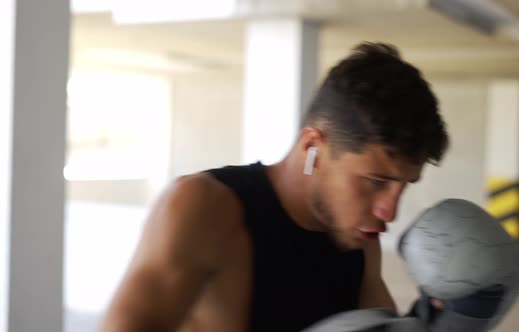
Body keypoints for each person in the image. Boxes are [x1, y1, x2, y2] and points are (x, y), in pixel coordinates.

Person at [99, 41, 449, 332]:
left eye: (403, 186)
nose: (389, 211)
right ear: (313, 146)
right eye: (375, 182)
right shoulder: (205, 207)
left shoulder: (358, 238)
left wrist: (444, 318)